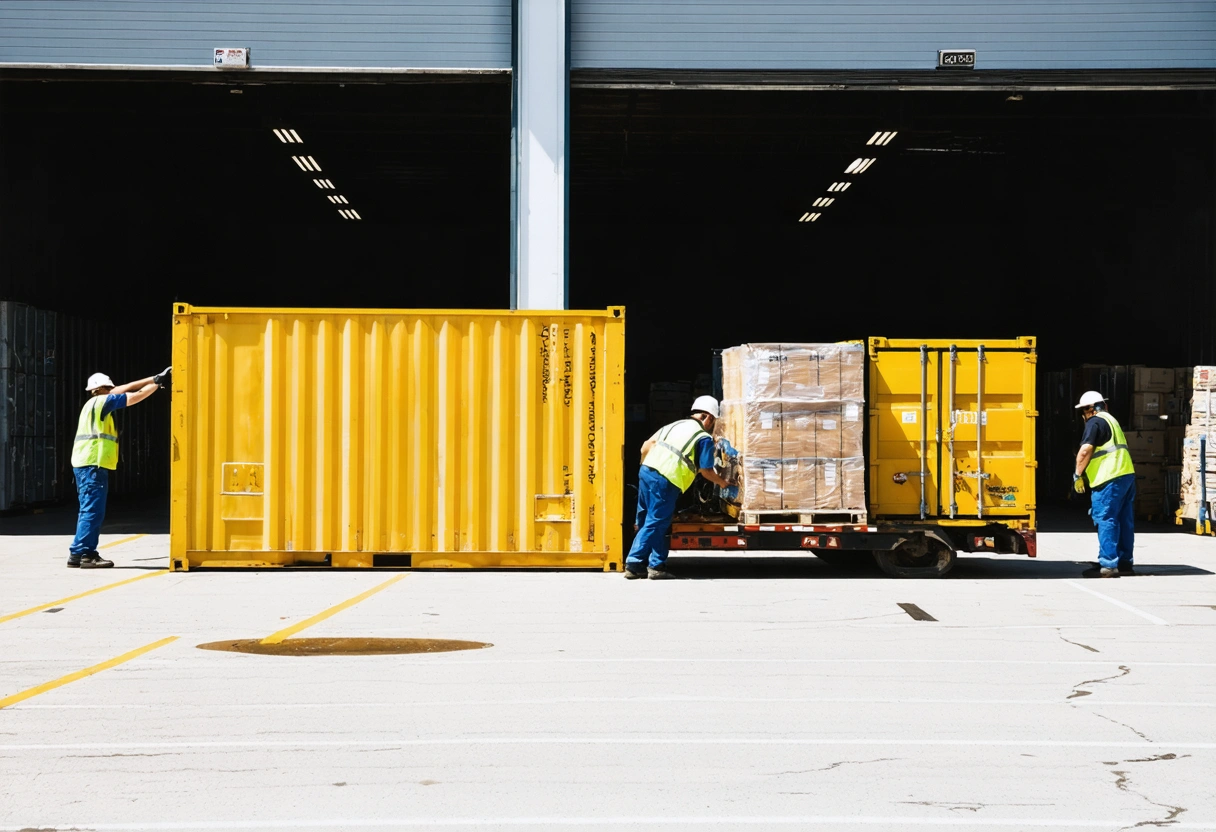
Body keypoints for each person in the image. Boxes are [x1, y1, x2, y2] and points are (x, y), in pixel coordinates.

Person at [67, 368, 170, 569]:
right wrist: (158, 384)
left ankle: (78, 553)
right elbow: (134, 396)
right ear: (104, 389)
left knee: (89, 510)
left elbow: (127, 388)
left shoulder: (94, 403)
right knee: (92, 511)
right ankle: (85, 554)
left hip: (86, 464)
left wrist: (155, 377)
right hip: (92, 464)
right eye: (111, 388)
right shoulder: (102, 402)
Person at [626, 396, 734, 580]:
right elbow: (706, 470)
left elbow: (645, 447)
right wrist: (725, 484)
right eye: (713, 421)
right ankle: (634, 563)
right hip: (667, 478)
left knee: (648, 520)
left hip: (646, 471)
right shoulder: (703, 437)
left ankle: (656, 565)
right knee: (657, 521)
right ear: (707, 417)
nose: (712, 426)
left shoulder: (673, 425)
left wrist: (650, 465)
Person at [1073, 391, 1136, 578]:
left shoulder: (1095, 422)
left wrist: (1077, 474)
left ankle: (1108, 564)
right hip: (1126, 475)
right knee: (1124, 520)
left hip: (1108, 478)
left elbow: (1086, 450)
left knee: (1106, 519)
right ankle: (1125, 562)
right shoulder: (1112, 420)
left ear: (1089, 410)